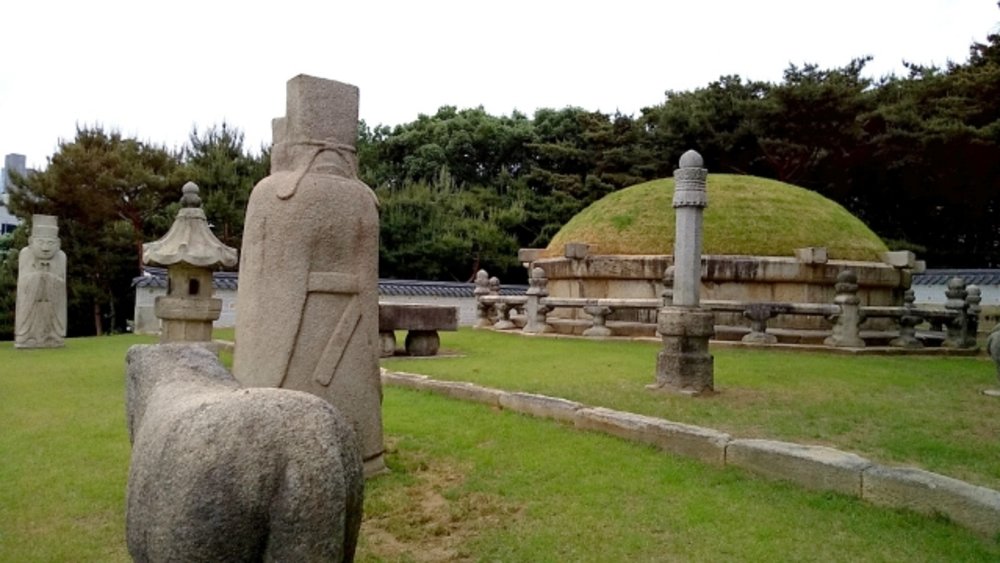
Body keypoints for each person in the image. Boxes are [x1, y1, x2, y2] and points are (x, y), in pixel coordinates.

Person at [15, 215, 67, 348]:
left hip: (51, 301)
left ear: (58, 243)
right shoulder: (26, 254)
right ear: (31, 241)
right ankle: (26, 337)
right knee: (29, 313)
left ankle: (53, 337)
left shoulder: (61, 257)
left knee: (51, 311)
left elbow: (62, 285)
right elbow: (22, 284)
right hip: (31, 301)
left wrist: (49, 279)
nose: (45, 248)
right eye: (40, 242)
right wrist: (37, 277)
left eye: (50, 243)